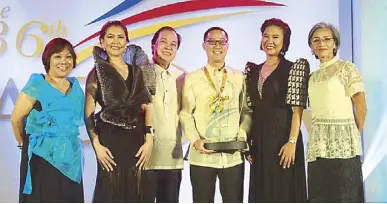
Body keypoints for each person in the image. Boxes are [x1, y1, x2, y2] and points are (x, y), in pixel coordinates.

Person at [179, 27, 252, 203]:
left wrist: (242, 136)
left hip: (232, 157)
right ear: (204, 45)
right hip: (202, 156)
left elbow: (246, 111)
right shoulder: (192, 78)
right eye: (212, 41)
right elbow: (186, 114)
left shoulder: (239, 77)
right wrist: (195, 140)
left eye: (222, 41)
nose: (217, 45)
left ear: (228, 46)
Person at [84, 20, 153, 202]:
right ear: (102, 42)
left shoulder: (137, 71)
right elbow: (88, 113)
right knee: (111, 191)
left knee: (136, 190)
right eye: (110, 37)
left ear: (126, 43)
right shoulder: (96, 73)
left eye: (120, 37)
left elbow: (147, 107)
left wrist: (149, 139)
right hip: (110, 142)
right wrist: (97, 146)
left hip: (137, 141)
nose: (116, 41)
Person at [11, 37, 85, 202]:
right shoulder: (36, 84)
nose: (63, 61)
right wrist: (23, 144)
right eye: (57, 56)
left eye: (68, 57)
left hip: (70, 157)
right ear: (48, 60)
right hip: (41, 157)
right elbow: (16, 119)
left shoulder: (76, 88)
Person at [244, 18, 308, 202]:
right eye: (265, 36)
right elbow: (250, 110)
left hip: (284, 140)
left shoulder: (294, 68)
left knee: (284, 191)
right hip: (260, 143)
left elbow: (298, 111)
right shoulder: (252, 71)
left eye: (275, 37)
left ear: (284, 41)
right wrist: (249, 143)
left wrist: (292, 142)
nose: (269, 41)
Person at [307, 22, 367, 203]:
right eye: (316, 40)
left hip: (344, 147)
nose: (321, 44)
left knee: (345, 196)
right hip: (319, 147)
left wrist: (355, 133)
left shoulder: (346, 68)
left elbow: (361, 107)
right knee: (320, 196)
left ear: (335, 43)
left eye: (326, 39)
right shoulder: (312, 77)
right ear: (311, 46)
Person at [140, 26, 185, 203]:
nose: (168, 47)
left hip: (173, 159)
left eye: (173, 44)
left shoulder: (181, 77)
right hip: (146, 157)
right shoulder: (140, 73)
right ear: (153, 45)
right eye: (163, 42)